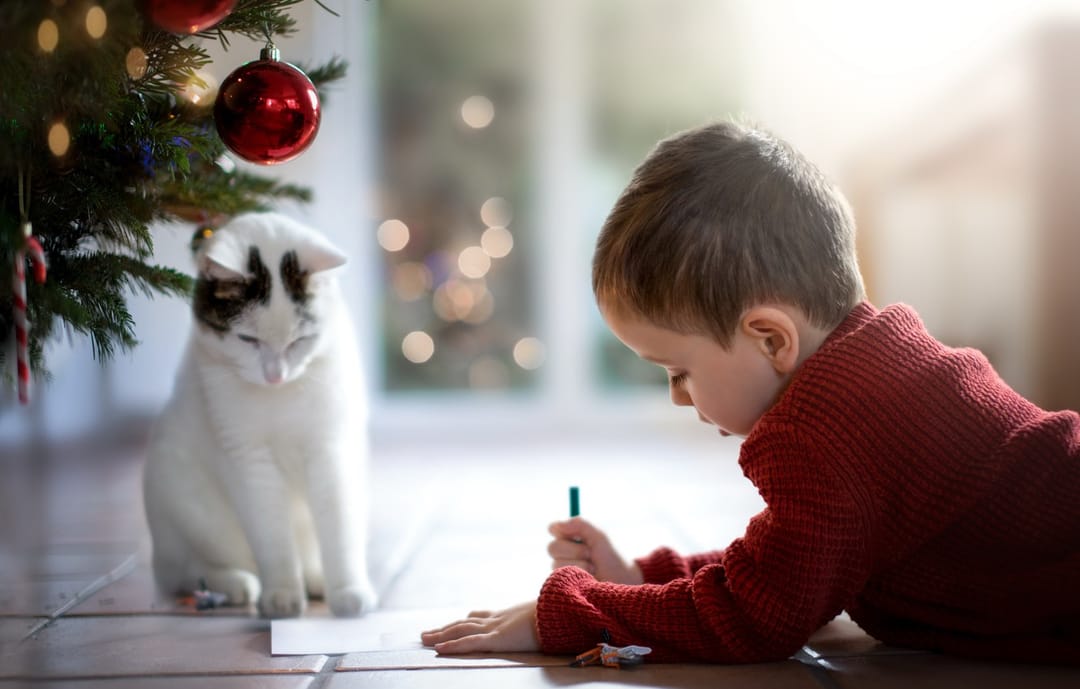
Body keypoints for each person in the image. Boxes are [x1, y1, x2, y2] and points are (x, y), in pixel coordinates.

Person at [420, 120, 1080, 664]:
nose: (678, 395)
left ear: (769, 338)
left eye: (677, 369)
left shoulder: (828, 432)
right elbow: (785, 566)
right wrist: (640, 576)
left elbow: (753, 615)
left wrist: (568, 611)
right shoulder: (871, 371)